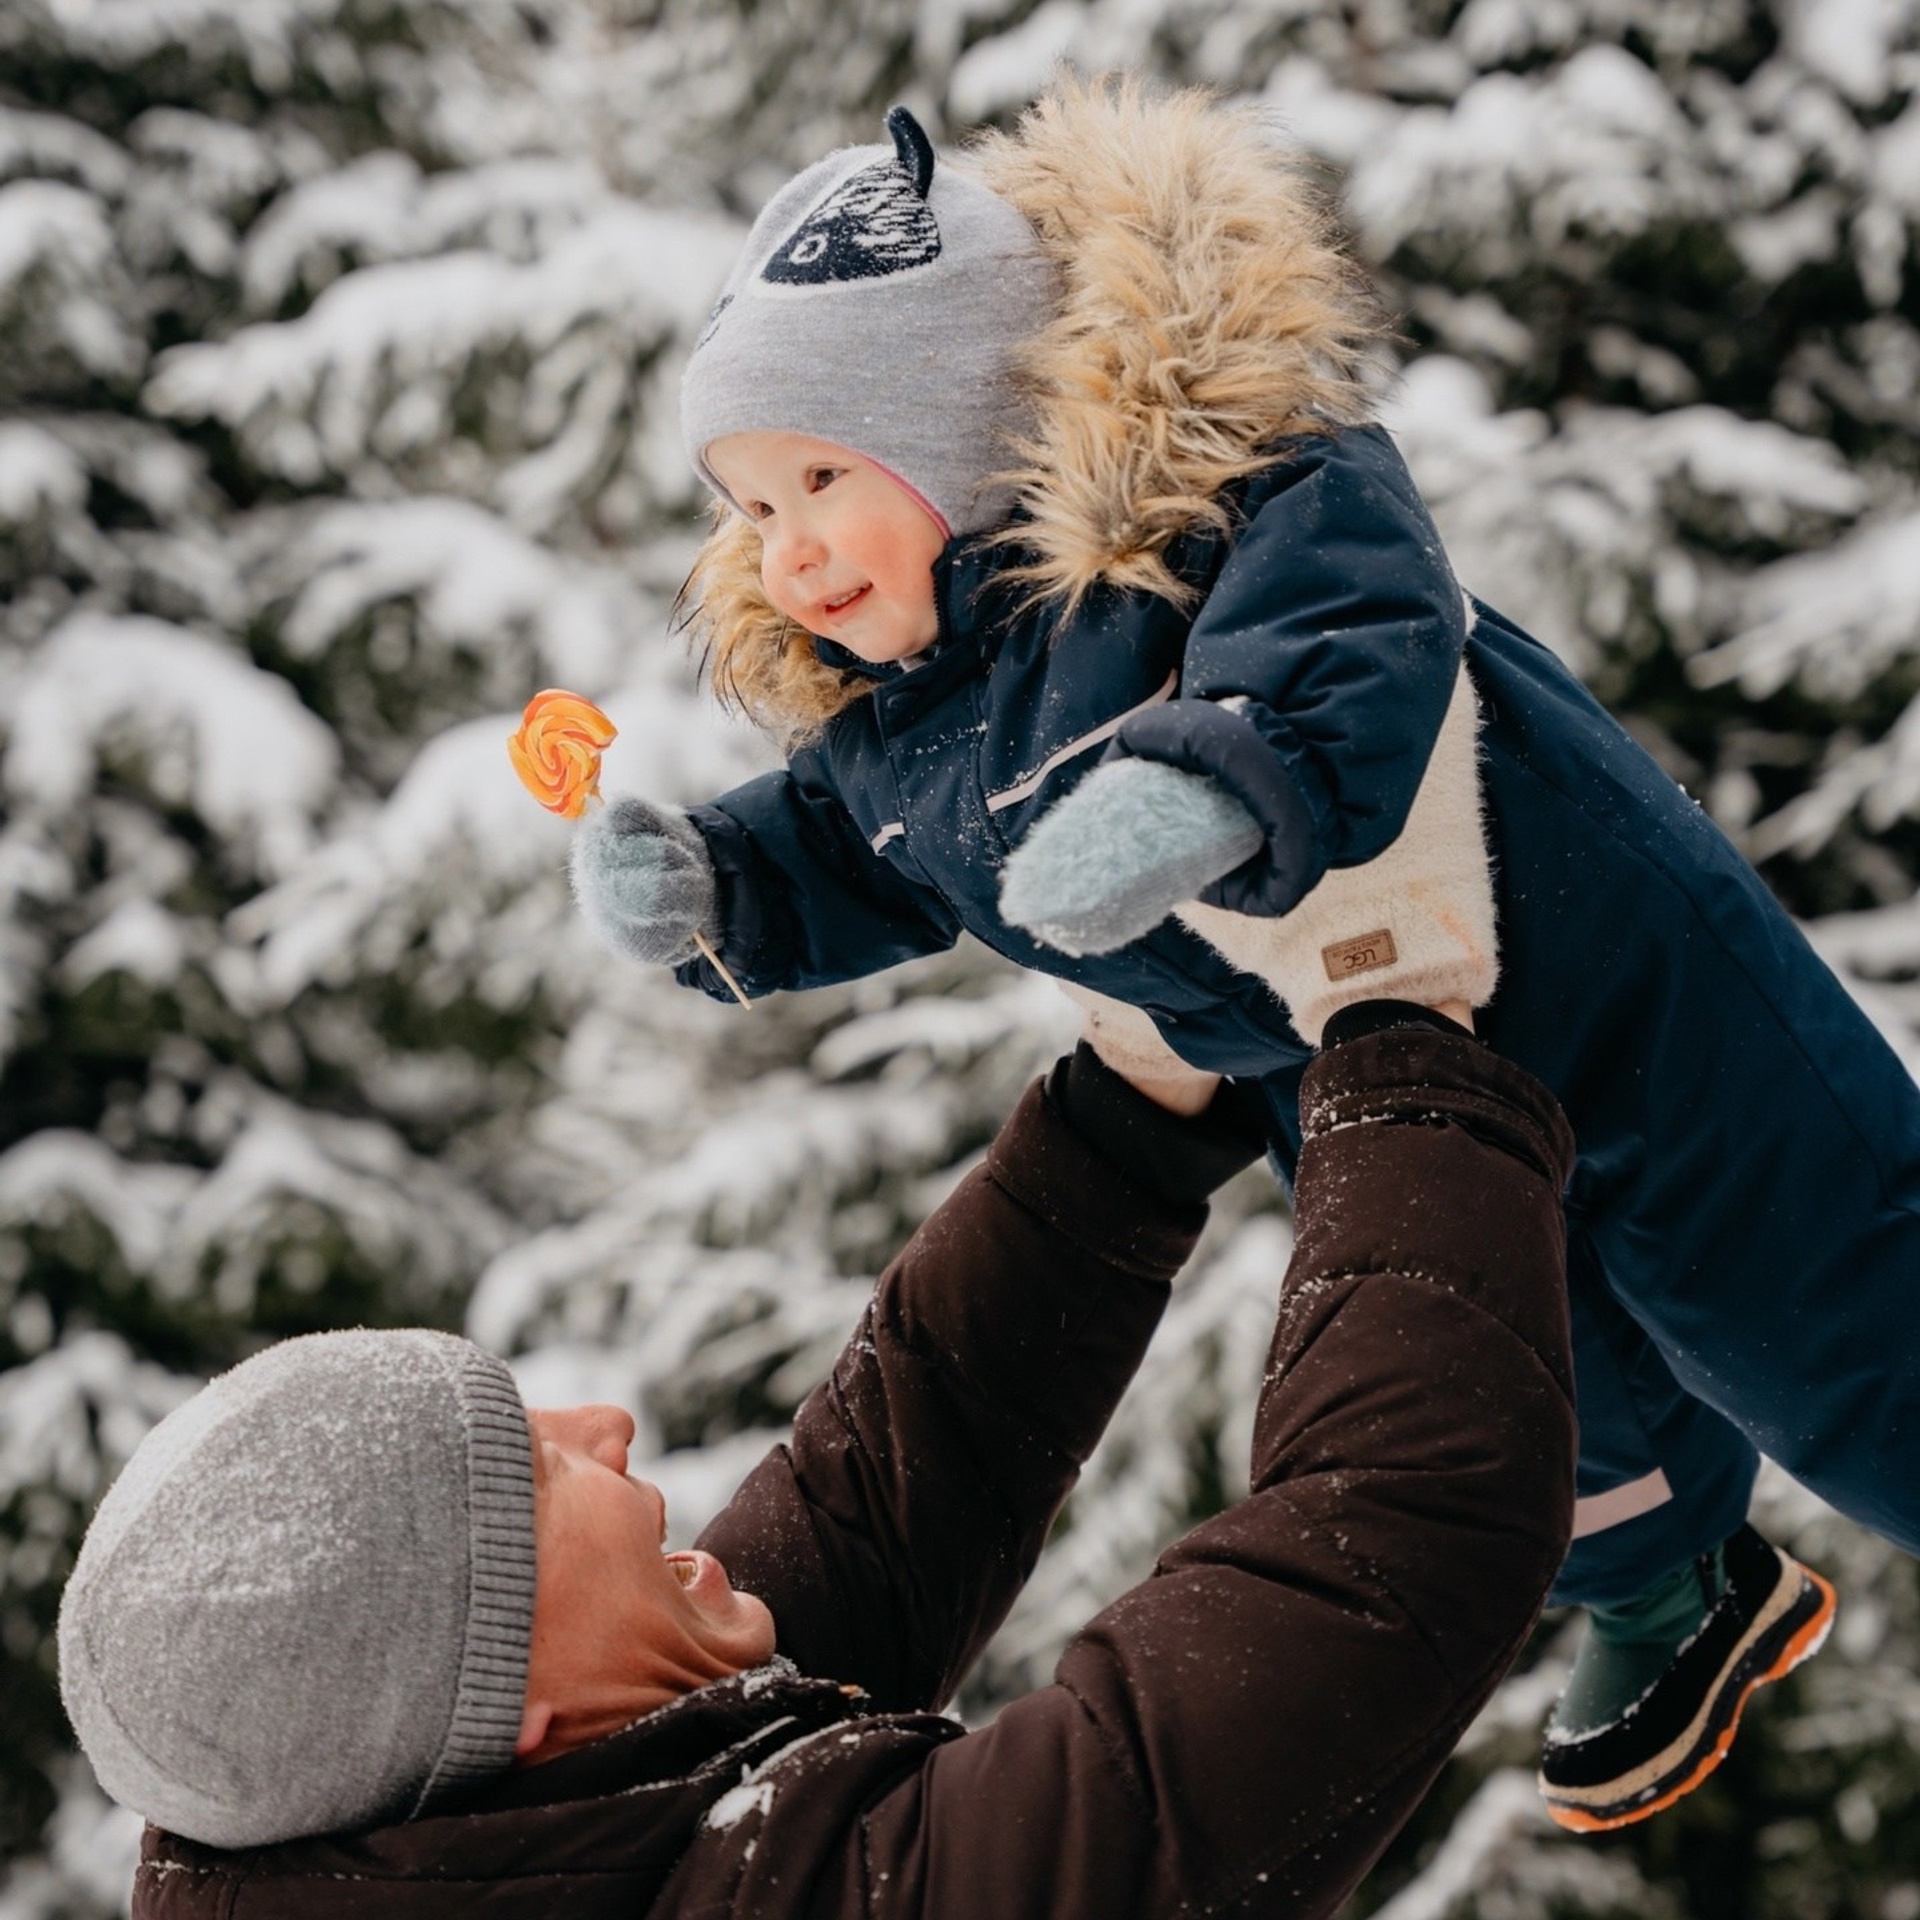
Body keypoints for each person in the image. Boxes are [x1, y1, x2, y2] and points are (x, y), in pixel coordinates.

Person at [562, 74, 1880, 1831]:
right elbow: (853, 849)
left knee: (1825, 1308)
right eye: (742, 505)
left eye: (821, 473)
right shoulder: (911, 719)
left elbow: (1354, 628)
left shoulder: (1234, 505)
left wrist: (1216, 784)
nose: (782, 544)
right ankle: (1671, 1590)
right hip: (1361, 1058)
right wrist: (718, 889)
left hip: (1589, 961)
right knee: (1519, 1364)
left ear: (967, 432)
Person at [61, 1011, 1579, 1917]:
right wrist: (1412, 1064)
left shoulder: (493, 1831)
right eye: (532, 1474)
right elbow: (1386, 1554)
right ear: (504, 1706)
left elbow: (885, 1503)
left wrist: (1123, 1111)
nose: (608, 1429)